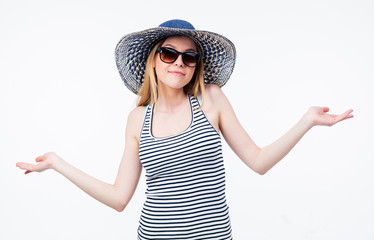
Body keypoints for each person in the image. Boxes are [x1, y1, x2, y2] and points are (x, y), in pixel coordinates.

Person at [16, 19, 354, 240]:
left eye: (189, 57)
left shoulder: (212, 100)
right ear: (153, 59)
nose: (179, 62)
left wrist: (306, 122)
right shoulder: (137, 119)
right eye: (169, 53)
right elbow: (120, 198)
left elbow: (258, 160)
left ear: (196, 66)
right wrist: (57, 163)